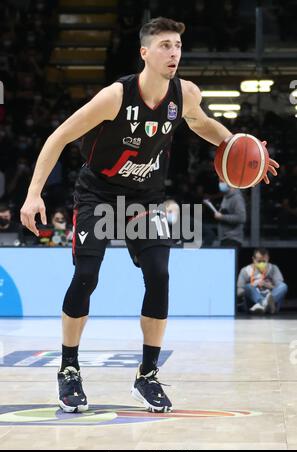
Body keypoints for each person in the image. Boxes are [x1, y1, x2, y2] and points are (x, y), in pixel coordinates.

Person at [20, 17, 279, 414]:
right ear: (145, 52)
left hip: (145, 199)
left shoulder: (185, 94)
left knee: (159, 275)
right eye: (164, 46)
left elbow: (203, 124)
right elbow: (60, 136)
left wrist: (244, 148)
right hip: (98, 194)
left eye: (177, 45)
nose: (173, 52)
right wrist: (33, 193)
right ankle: (69, 367)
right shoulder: (115, 96)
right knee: (86, 276)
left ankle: (147, 374)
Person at [237, 248, 288, 314]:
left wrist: (270, 286)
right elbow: (238, 292)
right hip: (253, 302)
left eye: (264, 261)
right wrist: (254, 285)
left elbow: (280, 286)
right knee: (248, 286)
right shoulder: (245, 270)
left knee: (284, 286)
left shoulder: (273, 268)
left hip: (272, 298)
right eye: (259, 261)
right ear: (253, 259)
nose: (262, 263)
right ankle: (262, 303)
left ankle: (265, 304)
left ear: (268, 258)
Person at [214, 181, 246, 247]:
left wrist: (222, 217)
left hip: (233, 238)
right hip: (224, 238)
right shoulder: (226, 196)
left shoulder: (237, 198)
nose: (220, 184)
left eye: (222, 181)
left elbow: (242, 218)